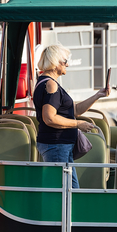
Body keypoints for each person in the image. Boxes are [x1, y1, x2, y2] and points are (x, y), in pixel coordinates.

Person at [33, 44, 109, 189]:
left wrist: (97, 95)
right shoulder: (51, 85)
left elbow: (74, 110)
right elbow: (49, 118)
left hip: (59, 145)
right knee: (65, 191)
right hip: (56, 145)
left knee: (71, 191)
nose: (67, 64)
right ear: (55, 63)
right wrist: (78, 124)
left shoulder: (45, 82)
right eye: (65, 61)